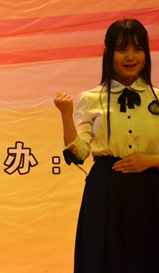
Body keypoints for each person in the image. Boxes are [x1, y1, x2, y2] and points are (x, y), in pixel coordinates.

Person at [54, 18, 159, 273]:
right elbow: (80, 152)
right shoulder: (90, 99)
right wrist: (66, 115)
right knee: (105, 259)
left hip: (151, 188)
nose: (130, 57)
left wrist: (151, 161)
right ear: (107, 52)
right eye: (121, 49)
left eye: (137, 49)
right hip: (106, 191)